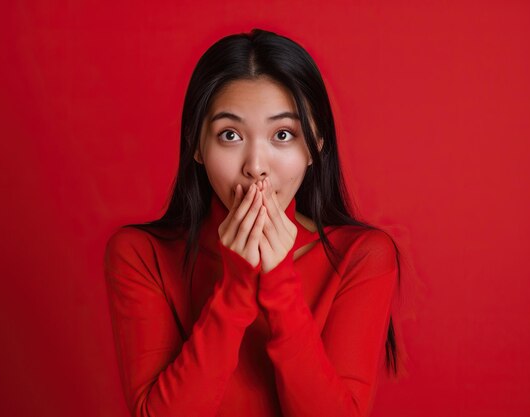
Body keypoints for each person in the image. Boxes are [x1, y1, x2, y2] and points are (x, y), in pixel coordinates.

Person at [103, 28, 404, 417]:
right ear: (196, 145)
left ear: (315, 146)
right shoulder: (141, 255)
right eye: (230, 135)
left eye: (282, 134)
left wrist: (279, 284)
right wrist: (234, 287)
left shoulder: (361, 257)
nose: (256, 167)